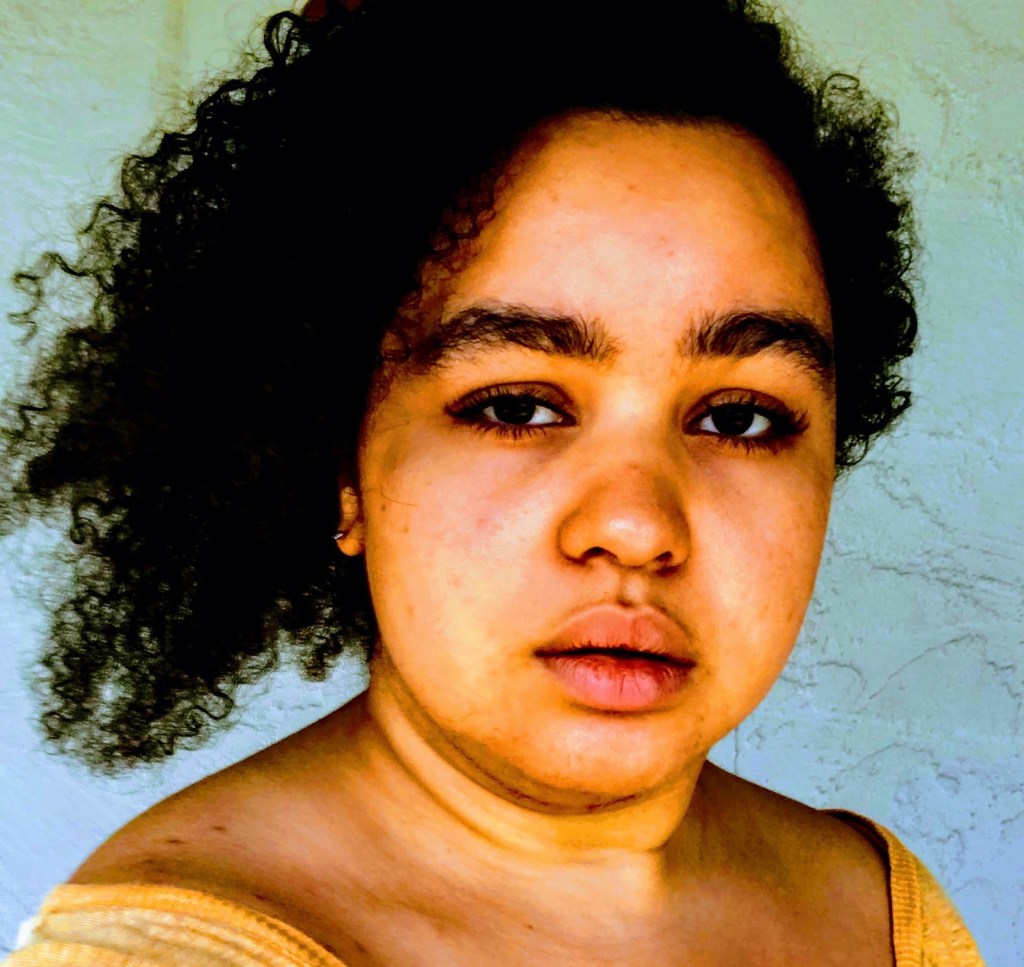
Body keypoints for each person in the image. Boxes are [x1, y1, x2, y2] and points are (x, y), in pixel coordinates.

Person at [0, 0, 985, 964]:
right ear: (340, 461)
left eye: (738, 418)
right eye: (516, 405)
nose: (638, 526)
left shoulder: (883, 909)